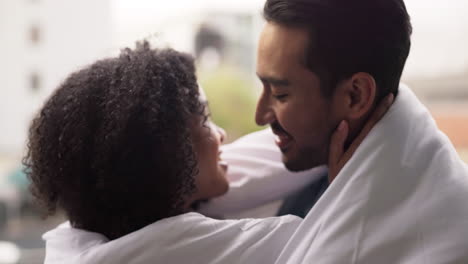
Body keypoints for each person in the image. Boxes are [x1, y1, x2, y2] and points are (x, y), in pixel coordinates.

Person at [205, 0, 468, 263]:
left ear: (355, 96)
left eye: (280, 94)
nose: (259, 115)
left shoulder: (451, 230)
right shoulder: (312, 166)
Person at [25, 42, 316, 264]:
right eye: (205, 120)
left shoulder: (86, 233)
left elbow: (262, 162)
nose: (221, 135)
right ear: (166, 158)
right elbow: (320, 237)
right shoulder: (166, 248)